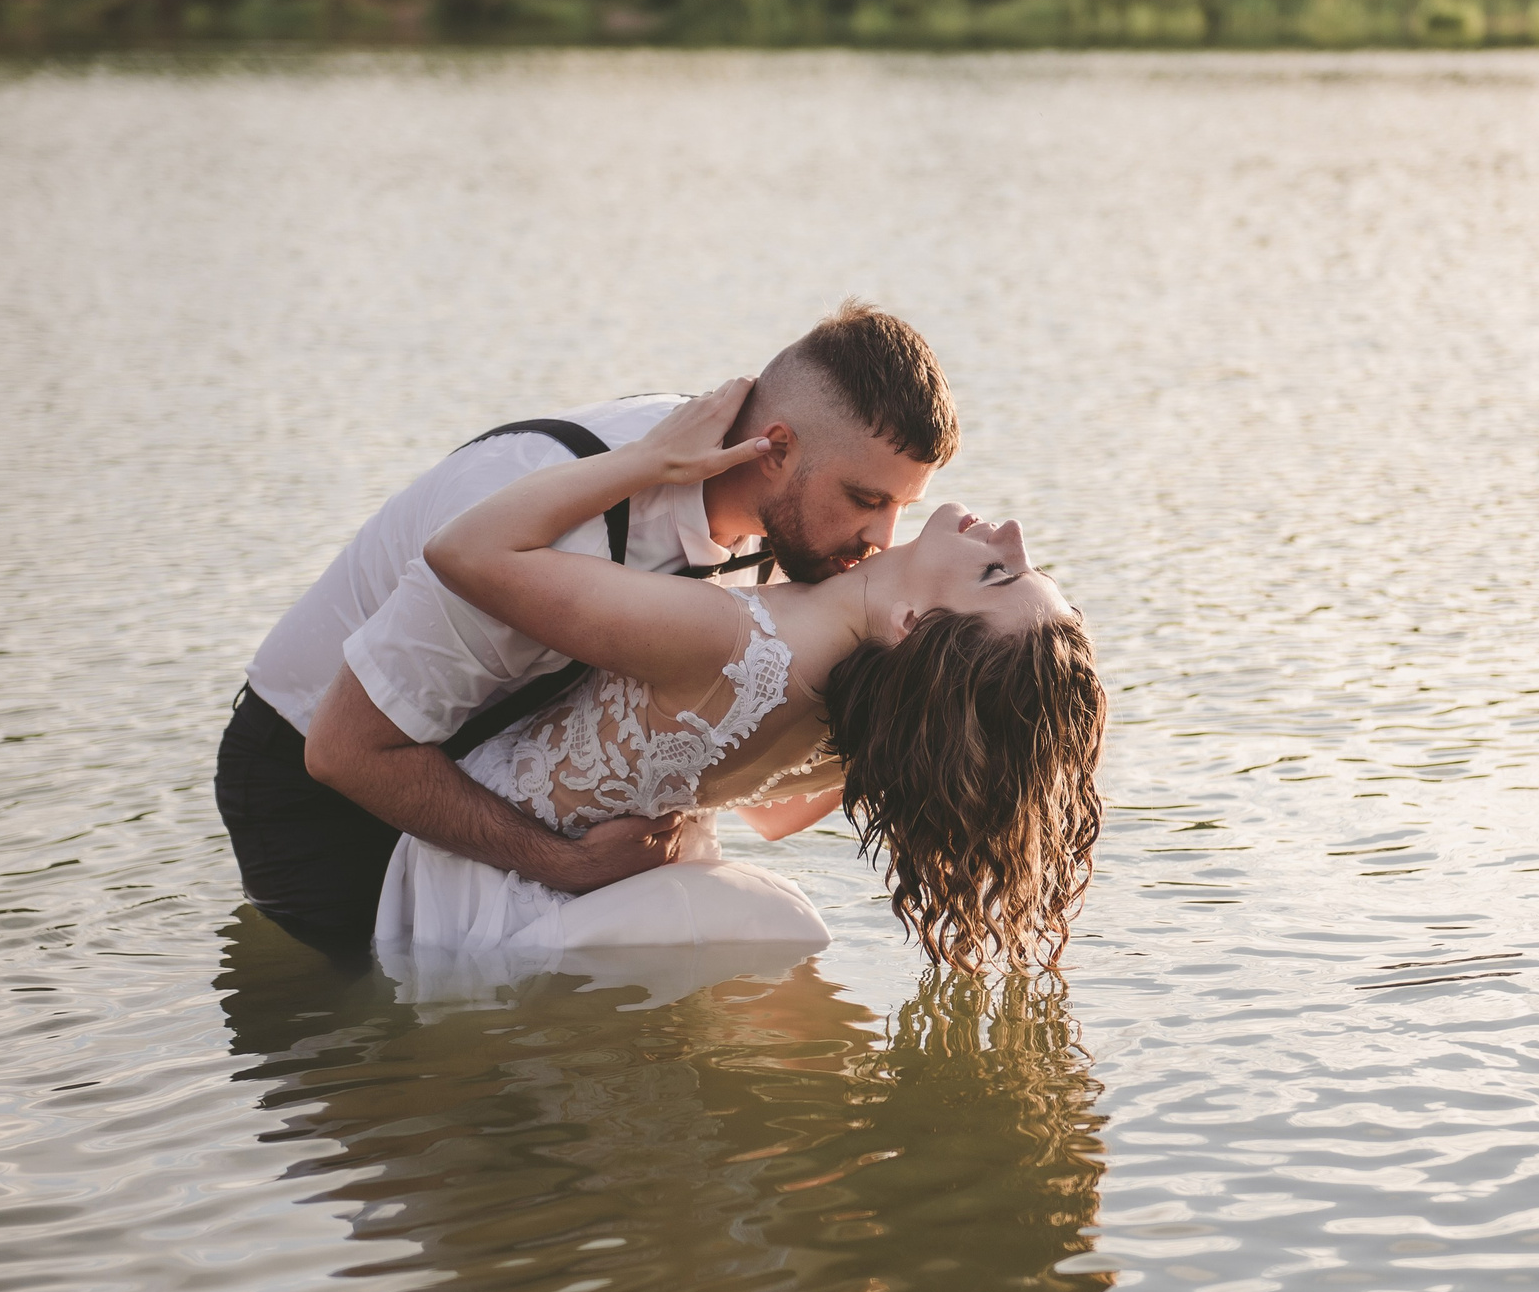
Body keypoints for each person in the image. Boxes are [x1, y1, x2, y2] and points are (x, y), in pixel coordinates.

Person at [214, 302, 958, 957]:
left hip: (476, 767)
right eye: (865, 498)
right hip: (313, 791)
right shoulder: (560, 521)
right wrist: (561, 863)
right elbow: (341, 749)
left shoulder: (787, 535)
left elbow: (765, 807)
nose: (882, 539)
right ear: (777, 447)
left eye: (901, 507)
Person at [378, 381, 1108, 969]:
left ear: (912, 622)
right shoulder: (851, 710)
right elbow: (772, 813)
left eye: (996, 573)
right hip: (604, 886)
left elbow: (467, 553)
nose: (1013, 533)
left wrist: (649, 460)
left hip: (483, 879)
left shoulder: (730, 639)